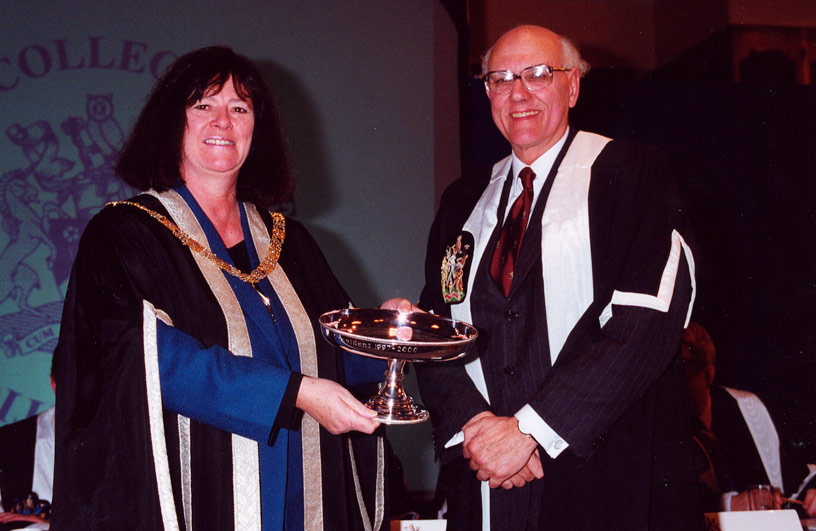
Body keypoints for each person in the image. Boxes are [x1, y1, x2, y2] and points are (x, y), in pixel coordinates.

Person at [52, 46, 388, 530]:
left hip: (304, 495)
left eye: (239, 108)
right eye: (203, 105)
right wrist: (293, 392)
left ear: (258, 127)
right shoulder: (125, 234)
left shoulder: (289, 241)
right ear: (173, 123)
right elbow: (148, 359)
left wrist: (388, 337)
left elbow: (334, 345)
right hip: (197, 496)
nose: (223, 122)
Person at [413, 25, 699, 530]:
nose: (517, 92)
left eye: (538, 74)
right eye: (500, 78)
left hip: (602, 469)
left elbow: (647, 321)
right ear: (486, 93)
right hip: (485, 480)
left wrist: (529, 432)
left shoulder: (630, 173)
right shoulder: (463, 201)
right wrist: (478, 429)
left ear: (573, 86)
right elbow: (436, 329)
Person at [681, 323, 816, 516]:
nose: (675, 392)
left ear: (708, 375)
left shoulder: (748, 409)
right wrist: (726, 505)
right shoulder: (655, 427)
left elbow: (799, 479)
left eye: (685, 379)